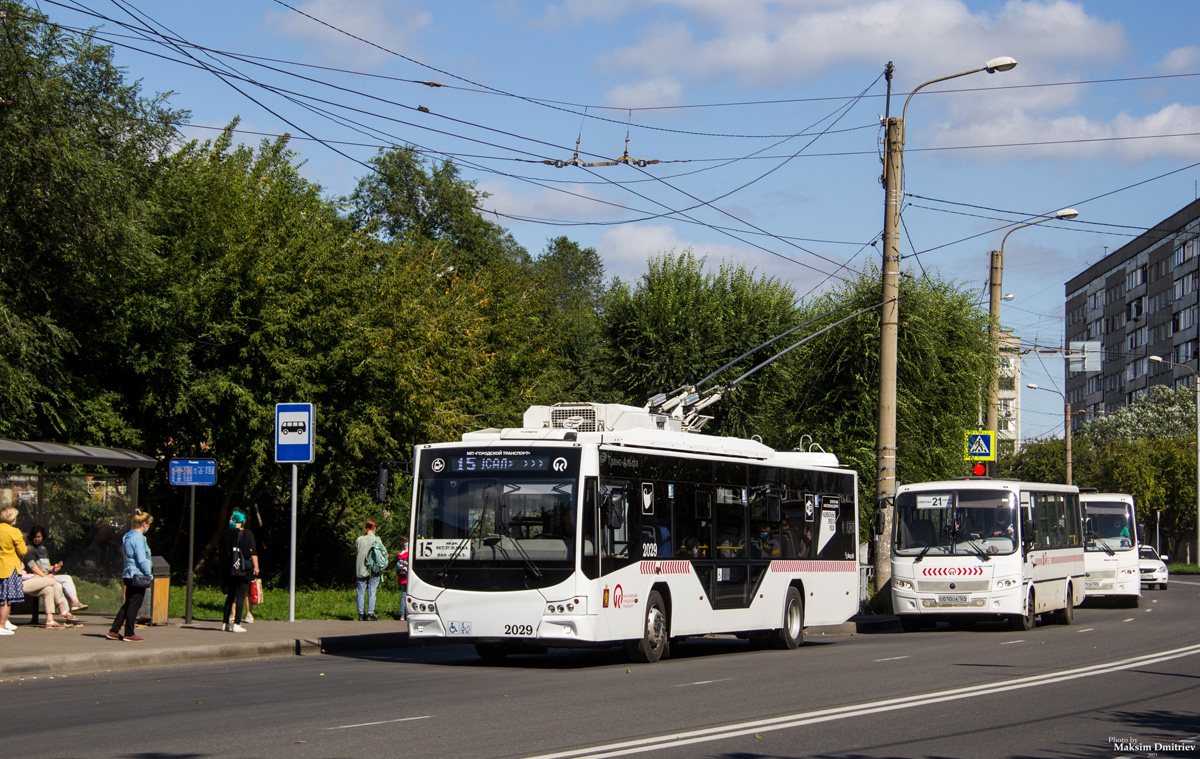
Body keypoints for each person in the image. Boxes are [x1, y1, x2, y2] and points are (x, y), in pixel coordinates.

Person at [108, 509, 153, 642]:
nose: (149, 527)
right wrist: (149, 574)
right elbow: (141, 559)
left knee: (128, 604)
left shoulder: (128, 536)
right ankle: (129, 633)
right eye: (149, 524)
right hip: (138, 575)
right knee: (134, 605)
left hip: (128, 574)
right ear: (144, 524)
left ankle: (114, 630)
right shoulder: (139, 538)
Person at [24, 525, 87, 611]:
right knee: (58, 586)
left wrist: (54, 568)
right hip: (38, 577)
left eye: (39, 537)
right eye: (35, 537)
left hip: (48, 576)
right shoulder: (29, 550)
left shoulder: (44, 549)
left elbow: (46, 567)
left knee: (67, 578)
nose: (37, 539)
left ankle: (75, 602)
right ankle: (66, 613)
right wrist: (44, 576)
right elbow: (32, 566)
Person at [219, 510, 258, 633]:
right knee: (240, 595)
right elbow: (247, 552)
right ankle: (236, 623)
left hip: (228, 569)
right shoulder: (243, 534)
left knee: (230, 596)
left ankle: (225, 623)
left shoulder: (225, 533)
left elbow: (221, 550)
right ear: (242, 521)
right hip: (241, 570)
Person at [1, 506, 27, 635]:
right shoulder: (14, 531)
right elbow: (22, 550)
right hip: (10, 567)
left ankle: (4, 622)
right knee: (7, 598)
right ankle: (2, 624)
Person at [354, 519, 385, 621]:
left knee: (360, 591)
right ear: (374, 528)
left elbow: (356, 552)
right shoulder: (377, 539)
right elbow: (382, 553)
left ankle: (360, 614)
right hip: (374, 569)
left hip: (360, 568)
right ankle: (370, 614)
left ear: (366, 528)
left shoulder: (359, 539)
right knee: (372, 591)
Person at [397, 537, 409, 621]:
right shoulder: (410, 553)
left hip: (402, 577)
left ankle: (402, 614)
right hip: (409, 577)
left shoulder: (400, 555)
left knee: (403, 594)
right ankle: (409, 612)